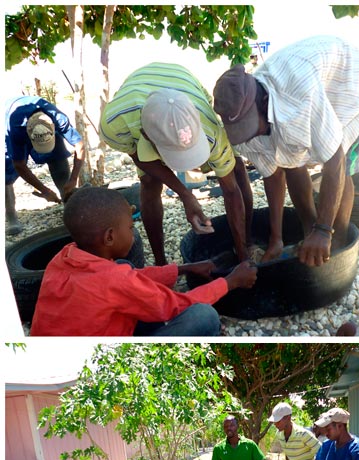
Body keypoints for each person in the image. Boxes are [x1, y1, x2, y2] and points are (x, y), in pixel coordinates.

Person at [213, 36, 359, 265]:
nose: (251, 136)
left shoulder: (299, 96)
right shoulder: (238, 127)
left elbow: (335, 160)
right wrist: (276, 238)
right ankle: (309, 234)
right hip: (302, 93)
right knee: (292, 160)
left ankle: (336, 245)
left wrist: (323, 229)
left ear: (264, 101)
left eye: (251, 125)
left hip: (348, 80)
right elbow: (275, 174)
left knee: (344, 160)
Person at [30, 186, 256, 336]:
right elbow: (179, 305)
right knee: (203, 316)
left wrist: (183, 269)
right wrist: (230, 282)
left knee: (124, 267)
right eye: (130, 227)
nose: (133, 232)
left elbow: (127, 279)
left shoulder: (63, 257)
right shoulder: (114, 281)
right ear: (109, 236)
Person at [99, 62, 254, 265]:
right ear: (146, 135)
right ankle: (161, 263)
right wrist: (185, 194)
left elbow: (231, 191)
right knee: (149, 183)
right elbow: (142, 160)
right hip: (136, 100)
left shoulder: (211, 131)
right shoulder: (115, 124)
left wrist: (242, 259)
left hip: (184, 80)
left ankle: (246, 242)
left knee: (235, 168)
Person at [5, 96, 85, 235]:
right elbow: (19, 164)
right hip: (10, 120)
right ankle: (10, 214)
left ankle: (68, 201)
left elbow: (80, 145)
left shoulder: (58, 119)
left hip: (42, 122)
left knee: (57, 158)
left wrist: (72, 180)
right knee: (6, 170)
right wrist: (44, 190)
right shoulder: (15, 129)